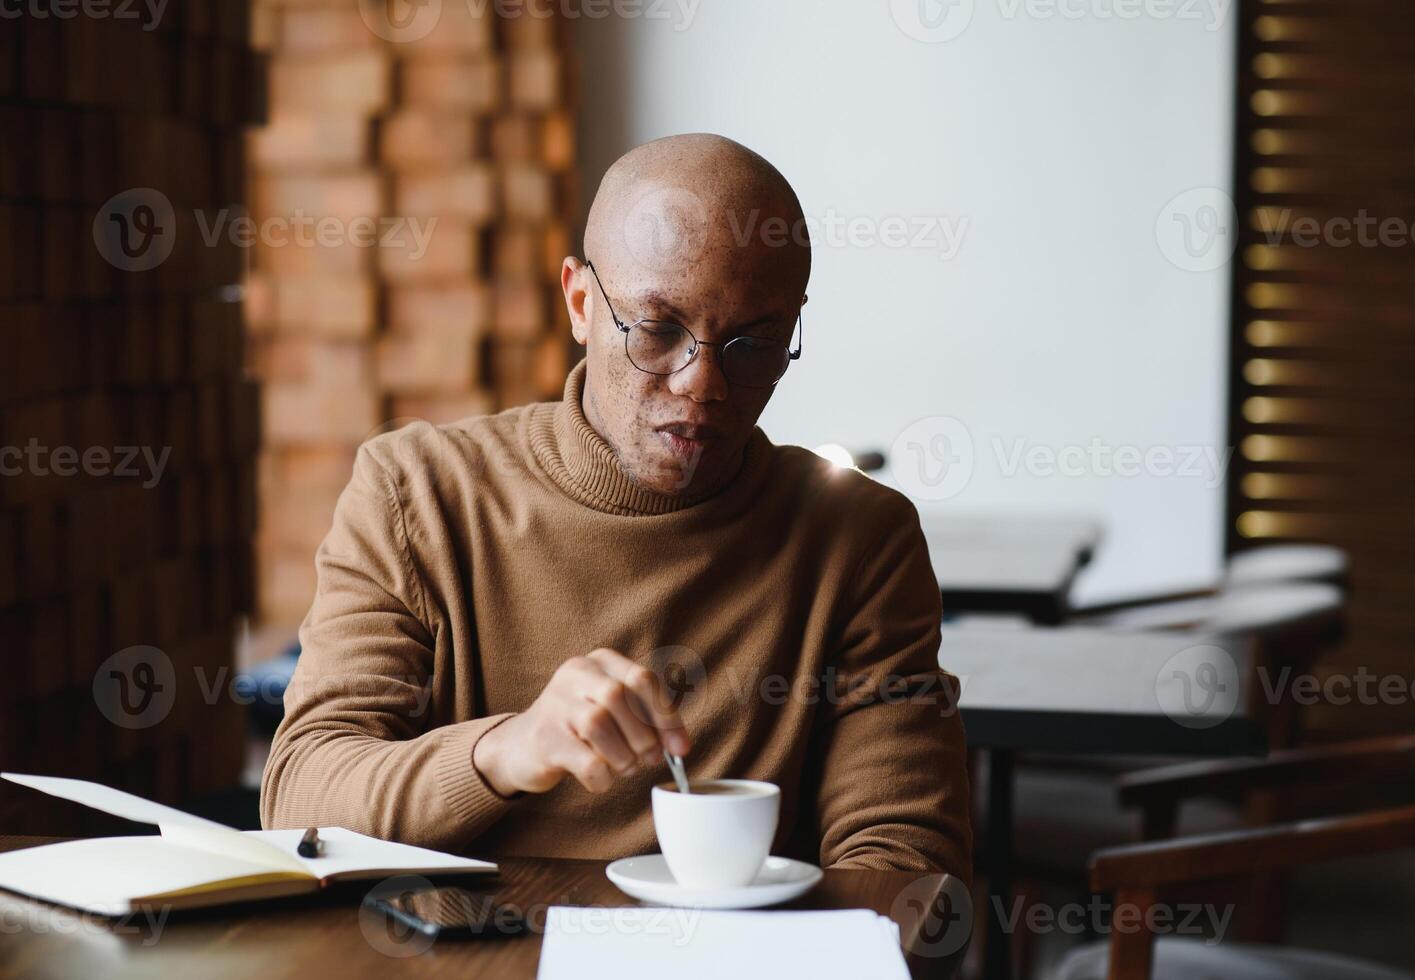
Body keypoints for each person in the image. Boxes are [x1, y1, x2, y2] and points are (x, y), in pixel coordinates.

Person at [261, 134, 972, 885]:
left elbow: (906, 866)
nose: (703, 385)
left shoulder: (857, 540)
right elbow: (301, 796)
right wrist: (508, 749)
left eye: (753, 344)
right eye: (659, 330)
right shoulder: (418, 494)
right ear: (579, 304)